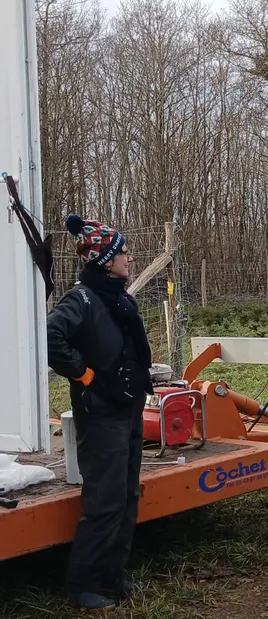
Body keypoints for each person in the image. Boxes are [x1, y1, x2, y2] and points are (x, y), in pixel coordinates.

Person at [46, 214, 153, 612]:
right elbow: (51, 337)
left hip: (127, 409)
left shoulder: (120, 298)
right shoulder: (81, 300)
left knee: (127, 496)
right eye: (123, 252)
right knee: (104, 501)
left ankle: (114, 575)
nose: (129, 258)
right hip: (101, 413)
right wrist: (85, 373)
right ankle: (83, 585)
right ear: (106, 259)